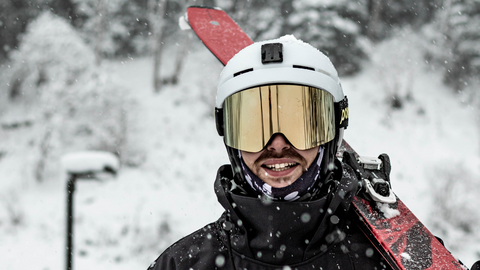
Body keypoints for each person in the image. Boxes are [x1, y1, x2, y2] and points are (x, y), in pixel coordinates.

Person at [147, 35, 478, 270]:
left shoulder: (392, 256)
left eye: (301, 124)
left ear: (335, 128)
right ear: (227, 134)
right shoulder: (184, 263)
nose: (276, 143)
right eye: (252, 127)